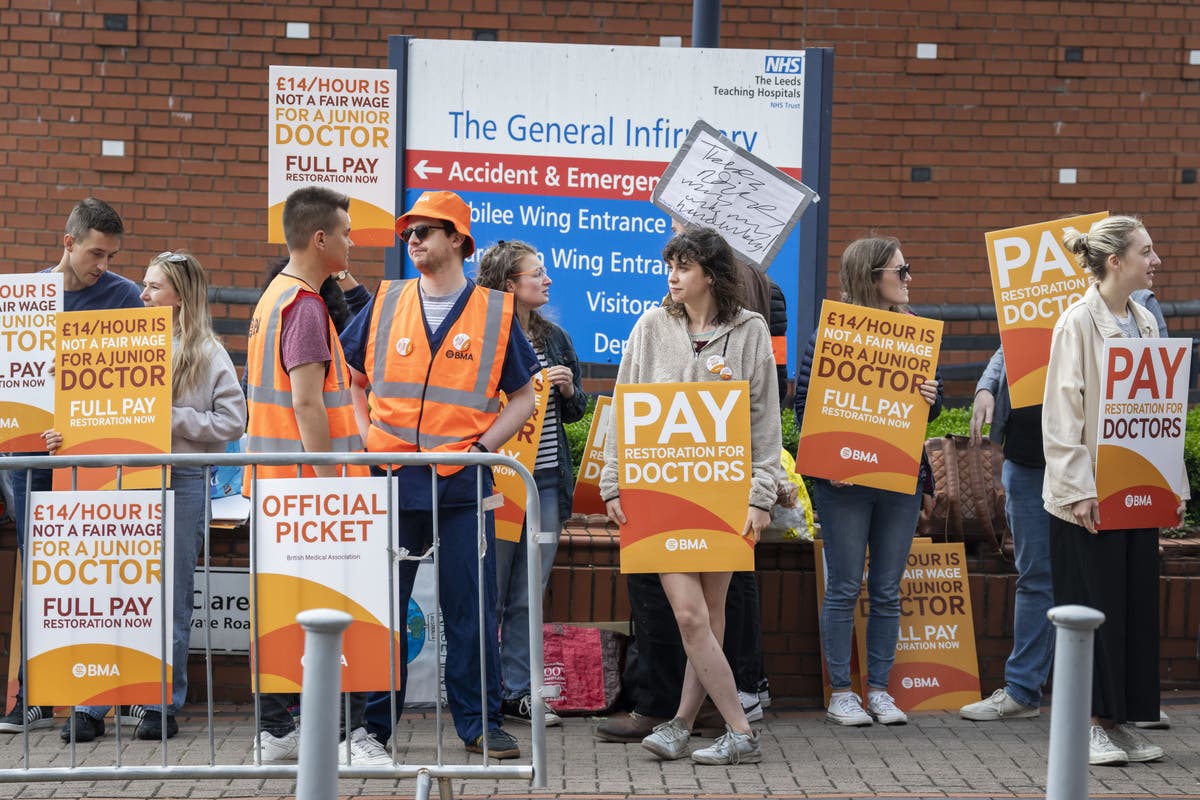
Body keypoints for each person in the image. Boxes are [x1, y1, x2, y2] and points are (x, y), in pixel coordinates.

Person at [341, 190, 539, 760]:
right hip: (392, 476)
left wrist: (482, 448)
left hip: (462, 479)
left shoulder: (495, 313)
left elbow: (523, 396)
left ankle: (480, 724)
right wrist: (366, 437)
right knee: (383, 606)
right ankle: (374, 728)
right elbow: (353, 379)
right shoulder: (385, 301)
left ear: (457, 240)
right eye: (410, 232)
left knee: (470, 607)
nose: (415, 239)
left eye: (427, 230)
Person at [600, 225, 781, 766]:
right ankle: (739, 729)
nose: (673, 276)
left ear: (711, 274)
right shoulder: (651, 326)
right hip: (660, 490)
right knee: (688, 615)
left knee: (711, 613)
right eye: (670, 266)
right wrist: (613, 480)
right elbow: (622, 401)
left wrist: (760, 495)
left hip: (725, 491)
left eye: (684, 266)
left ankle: (680, 723)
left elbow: (764, 424)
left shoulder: (750, 332)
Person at [960, 282, 1174, 727]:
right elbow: (1010, 345)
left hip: (1097, 464)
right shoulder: (1037, 292)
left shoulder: (1138, 308)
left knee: (1107, 580)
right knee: (1036, 577)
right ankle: (1023, 690)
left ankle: (1118, 701)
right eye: (1145, 252)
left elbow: (1153, 383)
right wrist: (986, 386)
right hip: (1028, 456)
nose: (1153, 262)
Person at [56, 251, 246, 742]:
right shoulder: (121, 341)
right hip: (120, 479)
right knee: (109, 592)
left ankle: (161, 704)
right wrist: (63, 435)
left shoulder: (207, 352)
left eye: (154, 287)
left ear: (180, 296)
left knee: (171, 596)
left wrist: (172, 417)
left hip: (181, 480)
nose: (142, 295)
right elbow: (87, 408)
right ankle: (92, 705)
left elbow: (233, 421)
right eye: (143, 285)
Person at [242, 186, 384, 765]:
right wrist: (331, 479)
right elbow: (307, 404)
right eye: (347, 232)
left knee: (281, 610)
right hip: (308, 489)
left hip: (276, 482)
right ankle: (323, 734)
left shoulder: (274, 298)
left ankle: (276, 731)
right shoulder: (303, 306)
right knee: (330, 609)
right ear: (320, 239)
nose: (352, 242)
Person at [0, 198, 144, 734]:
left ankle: (106, 690)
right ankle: (32, 694)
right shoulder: (27, 300)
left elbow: (138, 387)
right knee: (42, 572)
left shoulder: (126, 298)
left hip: (94, 458)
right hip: (30, 455)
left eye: (110, 255)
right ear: (68, 243)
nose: (102, 265)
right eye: (95, 253)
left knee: (98, 571)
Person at [1043, 216, 1182, 765]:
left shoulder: (1146, 321)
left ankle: (1117, 720)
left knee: (1130, 609)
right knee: (1092, 607)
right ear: (1116, 261)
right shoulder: (1076, 323)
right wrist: (1080, 490)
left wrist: (1173, 483)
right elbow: (1063, 416)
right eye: (1147, 251)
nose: (1157, 261)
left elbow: (1160, 412)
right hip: (1090, 500)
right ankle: (1086, 726)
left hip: (1136, 493)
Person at [794, 236, 942, 727]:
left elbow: (924, 415)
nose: (908, 279)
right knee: (842, 587)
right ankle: (842, 692)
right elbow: (803, 408)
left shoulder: (917, 333)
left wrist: (930, 395)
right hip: (845, 482)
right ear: (871, 276)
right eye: (901, 271)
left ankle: (878, 690)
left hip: (899, 477)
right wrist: (827, 461)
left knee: (886, 589)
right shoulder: (829, 335)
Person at [475, 241, 586, 727]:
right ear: (508, 285)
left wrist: (565, 389)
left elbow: (577, 409)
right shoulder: (481, 337)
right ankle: (479, 691)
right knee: (488, 592)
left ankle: (519, 691)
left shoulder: (555, 338)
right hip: (496, 482)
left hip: (543, 484)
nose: (547, 280)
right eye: (536, 273)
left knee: (527, 593)